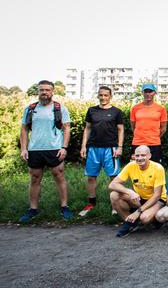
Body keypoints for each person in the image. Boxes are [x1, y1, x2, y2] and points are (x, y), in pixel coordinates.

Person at [19, 80, 73, 222]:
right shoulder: (30, 108)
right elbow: (24, 129)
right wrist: (24, 148)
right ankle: (33, 209)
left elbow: (66, 128)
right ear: (38, 91)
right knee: (35, 178)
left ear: (52, 91)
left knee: (59, 175)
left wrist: (64, 147)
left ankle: (64, 207)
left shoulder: (60, 108)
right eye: (42, 90)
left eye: (47, 90)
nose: (44, 92)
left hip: (55, 148)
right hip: (35, 149)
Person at [79, 86, 124, 217]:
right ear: (98, 95)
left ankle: (115, 205)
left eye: (106, 95)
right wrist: (83, 146)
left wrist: (120, 147)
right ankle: (91, 203)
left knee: (114, 178)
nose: (103, 97)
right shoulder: (91, 110)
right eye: (101, 95)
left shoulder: (116, 112)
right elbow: (87, 129)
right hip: (93, 148)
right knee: (91, 177)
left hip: (111, 148)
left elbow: (121, 129)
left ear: (110, 96)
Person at [108, 146, 167, 237]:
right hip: (140, 198)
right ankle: (130, 223)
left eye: (143, 155)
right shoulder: (131, 166)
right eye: (137, 155)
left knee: (145, 219)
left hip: (157, 200)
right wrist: (129, 191)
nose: (139, 158)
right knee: (114, 195)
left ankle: (154, 219)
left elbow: (157, 195)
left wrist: (138, 212)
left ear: (149, 156)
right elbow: (112, 185)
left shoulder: (158, 168)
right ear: (134, 156)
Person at [130, 83, 167, 163]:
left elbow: (163, 128)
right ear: (142, 93)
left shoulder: (161, 108)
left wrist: (154, 136)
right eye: (146, 91)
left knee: (155, 167)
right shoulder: (135, 108)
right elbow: (133, 126)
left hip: (154, 143)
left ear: (154, 93)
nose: (148, 94)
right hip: (138, 142)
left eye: (150, 91)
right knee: (136, 168)